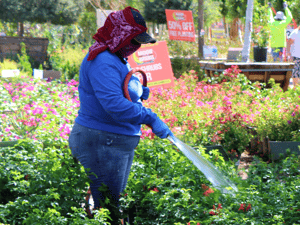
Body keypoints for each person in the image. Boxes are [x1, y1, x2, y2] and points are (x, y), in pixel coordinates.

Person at [68, 6, 172, 225]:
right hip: (102, 140)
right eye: (134, 41)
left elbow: (121, 88)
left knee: (110, 203)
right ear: (120, 35)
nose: (136, 47)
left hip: (113, 142)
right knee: (108, 209)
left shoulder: (117, 57)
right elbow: (114, 105)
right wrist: (149, 117)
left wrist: (137, 91)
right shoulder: (102, 60)